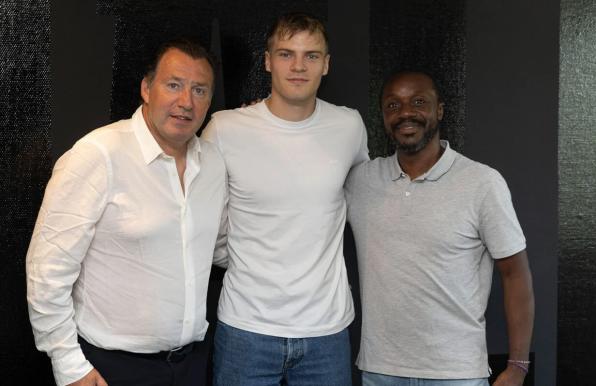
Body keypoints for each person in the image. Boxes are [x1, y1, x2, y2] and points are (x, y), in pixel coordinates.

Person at [26, 38, 226, 386]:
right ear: (147, 89)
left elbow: (219, 247)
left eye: (200, 90)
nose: (186, 102)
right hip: (109, 369)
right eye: (174, 85)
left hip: (191, 366)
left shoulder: (212, 164)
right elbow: (47, 271)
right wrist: (69, 364)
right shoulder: (98, 155)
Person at [201, 12, 368, 386]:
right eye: (286, 53)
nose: (298, 66)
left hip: (326, 330)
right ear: (267, 60)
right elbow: (202, 220)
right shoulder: (226, 128)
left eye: (311, 55)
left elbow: (364, 198)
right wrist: (247, 256)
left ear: (326, 64)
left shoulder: (349, 126)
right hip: (246, 329)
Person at [345, 71, 534, 386]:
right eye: (394, 105)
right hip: (381, 372)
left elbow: (515, 274)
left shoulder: (481, 183)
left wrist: (518, 366)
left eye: (419, 102)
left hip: (457, 374)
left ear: (440, 110)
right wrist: (261, 121)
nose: (406, 112)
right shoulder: (361, 181)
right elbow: (306, 183)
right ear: (383, 116)